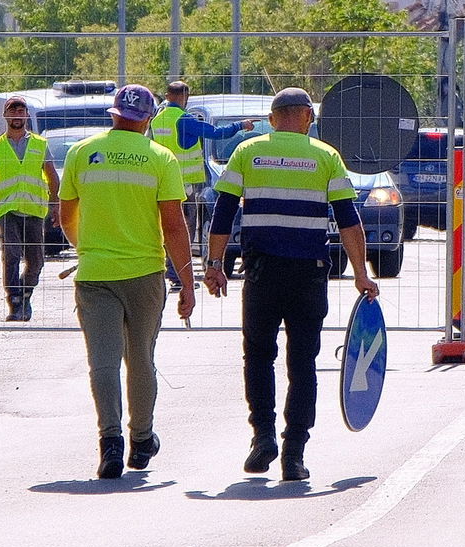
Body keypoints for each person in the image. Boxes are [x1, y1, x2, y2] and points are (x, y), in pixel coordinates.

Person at [202, 86, 379, 483]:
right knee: (303, 363)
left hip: (261, 271)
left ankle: (262, 436)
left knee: (258, 356)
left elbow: (224, 212)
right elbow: (349, 220)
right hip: (308, 272)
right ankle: (294, 453)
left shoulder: (247, 152)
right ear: (307, 118)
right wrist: (361, 274)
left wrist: (214, 265)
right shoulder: (325, 156)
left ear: (271, 118)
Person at [59, 84, 196, 480]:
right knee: (140, 359)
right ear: (149, 119)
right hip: (145, 274)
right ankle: (141, 440)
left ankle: (111, 442)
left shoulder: (82, 153)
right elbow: (173, 226)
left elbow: (67, 214)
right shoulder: (160, 158)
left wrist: (86, 246)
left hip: (96, 273)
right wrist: (186, 283)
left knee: (102, 361)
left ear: (113, 114)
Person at [149, 80, 259, 262]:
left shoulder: (158, 119)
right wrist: (241, 126)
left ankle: (166, 266)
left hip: (161, 180)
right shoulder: (184, 120)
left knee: (166, 226)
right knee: (186, 226)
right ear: (185, 97)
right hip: (184, 184)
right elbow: (216, 132)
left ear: (167, 96)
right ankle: (177, 271)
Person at [0, 94, 58, 321]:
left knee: (36, 261)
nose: (17, 115)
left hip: (34, 210)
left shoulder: (40, 144)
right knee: (10, 255)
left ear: (27, 115)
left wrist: (56, 207)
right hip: (8, 210)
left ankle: (25, 293)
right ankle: (15, 302)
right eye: (13, 111)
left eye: (21, 111)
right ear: (5, 115)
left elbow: (52, 177)